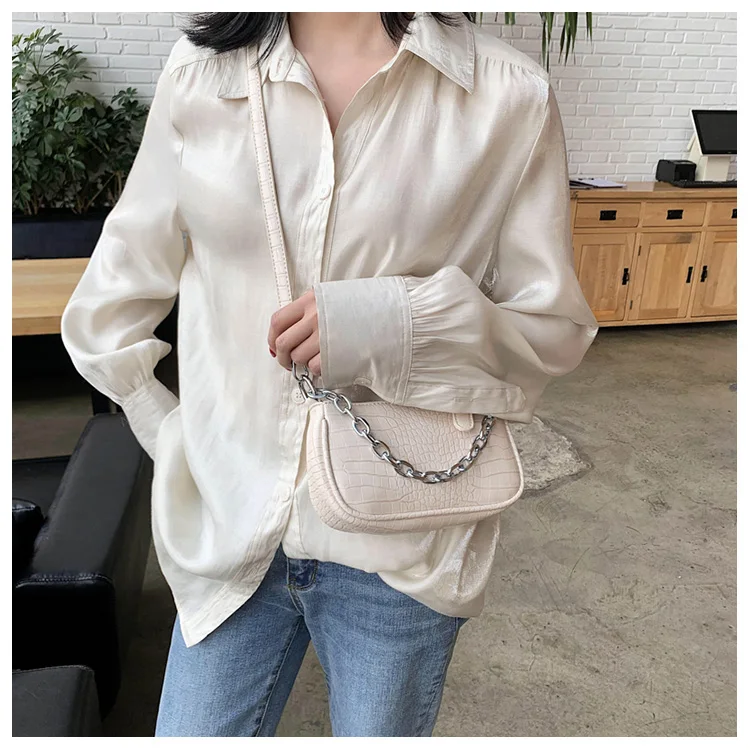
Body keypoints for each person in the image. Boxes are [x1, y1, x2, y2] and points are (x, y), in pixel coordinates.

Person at [61, 11, 598, 737]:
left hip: (401, 543)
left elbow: (553, 329)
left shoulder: (505, 95)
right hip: (229, 530)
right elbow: (114, 296)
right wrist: (178, 440)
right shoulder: (203, 73)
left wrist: (393, 323)